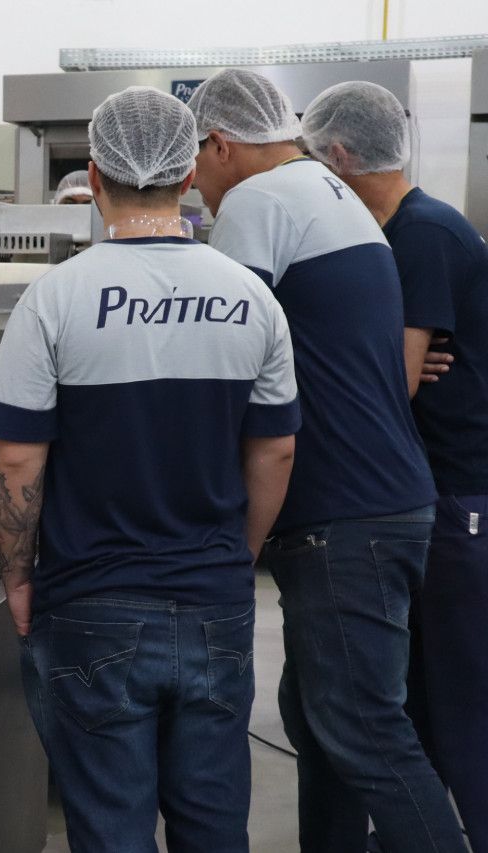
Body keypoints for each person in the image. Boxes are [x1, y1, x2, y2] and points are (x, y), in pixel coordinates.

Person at [0, 86, 299, 852]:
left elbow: (17, 456)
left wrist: (18, 576)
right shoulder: (251, 298)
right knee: (214, 821)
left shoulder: (54, 300)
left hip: (92, 602)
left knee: (112, 826)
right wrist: (235, 556)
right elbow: (276, 449)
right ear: (190, 174)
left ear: (94, 176)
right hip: (216, 598)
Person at [188, 69, 463, 852]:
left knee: (365, 732)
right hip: (391, 499)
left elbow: (222, 361)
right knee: (320, 719)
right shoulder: (334, 196)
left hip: (343, 513)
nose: (195, 184)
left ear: (221, 143)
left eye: (195, 164)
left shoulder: (256, 202)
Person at [303, 80, 487, 851]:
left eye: (315, 163)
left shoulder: (423, 235)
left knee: (460, 707)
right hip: (425, 493)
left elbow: (397, 379)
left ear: (342, 154)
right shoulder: (396, 233)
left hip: (455, 500)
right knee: (405, 702)